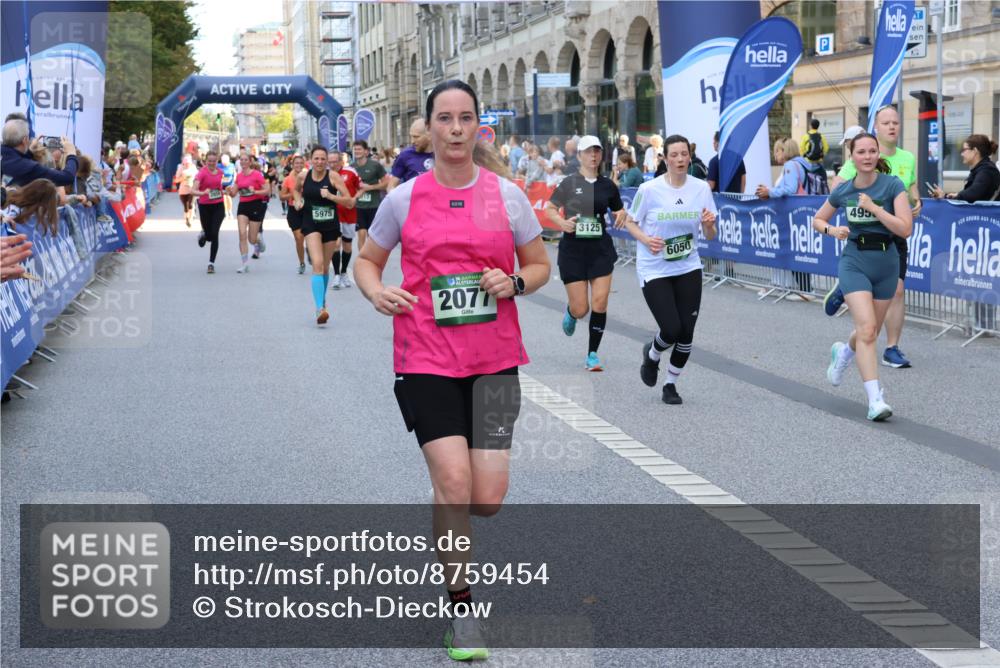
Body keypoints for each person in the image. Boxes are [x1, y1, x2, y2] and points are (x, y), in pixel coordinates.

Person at [354, 80, 550, 662]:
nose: (457, 129)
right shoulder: (404, 198)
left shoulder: (507, 196)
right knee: (456, 483)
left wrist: (513, 282)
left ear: (477, 128)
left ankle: (448, 501)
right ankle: (461, 610)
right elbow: (368, 260)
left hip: (494, 361)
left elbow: (539, 265)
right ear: (430, 128)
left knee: (486, 497)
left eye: (466, 118)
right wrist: (376, 293)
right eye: (446, 118)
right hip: (426, 358)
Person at [813, 132, 912, 421]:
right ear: (852, 156)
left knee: (870, 332)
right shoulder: (843, 190)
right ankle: (875, 400)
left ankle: (844, 352)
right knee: (867, 328)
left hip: (886, 262)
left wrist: (874, 208)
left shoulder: (892, 185)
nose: (867, 157)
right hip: (854, 260)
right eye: (861, 152)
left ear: (878, 154)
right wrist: (832, 230)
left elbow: (905, 229)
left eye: (872, 151)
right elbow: (819, 219)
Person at [619, 134, 718, 405]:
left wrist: (709, 224)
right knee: (671, 329)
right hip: (655, 268)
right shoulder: (650, 189)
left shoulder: (700, 189)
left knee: (686, 332)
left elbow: (710, 234)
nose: (680, 159)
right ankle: (651, 355)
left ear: (689, 156)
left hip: (688, 265)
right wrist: (646, 239)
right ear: (665, 158)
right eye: (674, 155)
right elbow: (629, 221)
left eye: (684, 154)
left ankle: (670, 384)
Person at [827, 108, 921, 369]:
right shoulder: (860, 154)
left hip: (894, 234)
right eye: (886, 122)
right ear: (876, 127)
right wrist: (860, 207)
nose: (892, 126)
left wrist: (915, 201)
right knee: (876, 315)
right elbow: (837, 191)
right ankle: (848, 286)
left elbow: (912, 188)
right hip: (864, 238)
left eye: (896, 122)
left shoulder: (908, 158)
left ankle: (890, 347)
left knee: (897, 293)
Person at [545, 134, 625, 371]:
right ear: (579, 155)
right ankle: (572, 312)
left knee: (600, 303)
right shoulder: (569, 183)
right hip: (573, 251)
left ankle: (592, 354)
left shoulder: (607, 185)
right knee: (582, 309)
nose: (593, 156)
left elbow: (619, 210)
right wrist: (562, 223)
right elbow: (550, 209)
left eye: (597, 151)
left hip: (600, 249)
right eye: (588, 151)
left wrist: (621, 215)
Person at [294, 145, 354, 324]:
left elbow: (349, 202)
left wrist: (331, 196)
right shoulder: (303, 176)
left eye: (323, 159)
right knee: (317, 264)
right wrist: (298, 201)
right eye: (316, 158)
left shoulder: (333, 177)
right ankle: (320, 308)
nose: (319, 162)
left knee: (325, 267)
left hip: (330, 225)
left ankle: (322, 301)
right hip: (310, 224)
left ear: (327, 161)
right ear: (310, 160)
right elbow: (296, 190)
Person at [1, 119, 78, 187]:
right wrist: (71, 154)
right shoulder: (31, 168)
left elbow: (15, 161)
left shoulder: (6, 159)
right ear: (25, 140)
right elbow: (67, 178)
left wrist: (29, 152)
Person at [228, 152, 269, 274]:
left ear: (250, 162)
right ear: (239, 162)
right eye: (242, 160)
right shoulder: (239, 176)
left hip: (256, 205)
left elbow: (267, 190)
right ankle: (245, 264)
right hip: (243, 206)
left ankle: (258, 240)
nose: (244, 162)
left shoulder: (257, 175)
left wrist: (255, 191)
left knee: (251, 239)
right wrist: (229, 191)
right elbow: (234, 194)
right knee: (241, 234)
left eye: (246, 160)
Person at [929, 134, 1000, 202]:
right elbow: (969, 196)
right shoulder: (981, 169)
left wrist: (955, 195)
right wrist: (945, 196)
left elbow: (973, 193)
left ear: (975, 151)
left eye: (964, 150)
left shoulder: (987, 170)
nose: (961, 154)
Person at [191, 151, 226, 274]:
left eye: (214, 161)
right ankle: (204, 234)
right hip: (205, 206)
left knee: (215, 234)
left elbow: (219, 188)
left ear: (217, 161)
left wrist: (225, 191)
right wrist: (203, 193)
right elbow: (193, 191)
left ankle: (211, 263)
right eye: (209, 161)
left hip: (218, 206)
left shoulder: (220, 173)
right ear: (206, 161)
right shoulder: (201, 174)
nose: (212, 163)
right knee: (209, 235)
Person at [329, 149, 359, 289]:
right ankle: (335, 275)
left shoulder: (351, 172)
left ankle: (343, 272)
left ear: (341, 161)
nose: (332, 164)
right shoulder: (326, 174)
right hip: (333, 214)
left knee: (347, 246)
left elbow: (361, 188)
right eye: (330, 162)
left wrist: (354, 199)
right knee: (336, 244)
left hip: (349, 213)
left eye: (335, 162)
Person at [351, 139, 388, 253]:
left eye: (359, 149)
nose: (357, 151)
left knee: (372, 236)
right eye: (355, 149)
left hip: (374, 205)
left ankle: (371, 258)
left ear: (366, 151)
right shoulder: (351, 167)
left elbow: (386, 183)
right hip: (359, 206)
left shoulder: (375, 165)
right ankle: (363, 259)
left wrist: (370, 187)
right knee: (361, 233)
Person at [387, 118, 434, 190]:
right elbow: (391, 185)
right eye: (411, 136)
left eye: (416, 137)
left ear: (429, 135)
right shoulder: (405, 155)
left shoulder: (444, 154)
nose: (412, 141)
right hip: (413, 200)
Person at [280, 155, 308, 273]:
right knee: (298, 238)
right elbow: (282, 197)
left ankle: (311, 251)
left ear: (304, 164)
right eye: (296, 163)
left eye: (301, 163)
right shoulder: (288, 179)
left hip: (307, 209)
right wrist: (294, 194)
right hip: (293, 210)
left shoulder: (309, 177)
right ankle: (302, 263)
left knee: (310, 237)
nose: (299, 165)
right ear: (292, 165)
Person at [173, 154, 198, 228]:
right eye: (186, 163)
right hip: (183, 190)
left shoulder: (193, 167)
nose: (187, 165)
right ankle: (186, 218)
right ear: (183, 163)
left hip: (192, 189)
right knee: (186, 206)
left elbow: (198, 177)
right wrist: (182, 178)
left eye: (188, 163)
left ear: (191, 163)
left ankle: (190, 220)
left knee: (191, 204)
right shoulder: (180, 168)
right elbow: (176, 180)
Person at [220, 154, 236, 220]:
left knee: (229, 198)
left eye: (225, 163)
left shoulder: (232, 165)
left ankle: (230, 212)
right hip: (222, 184)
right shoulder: (219, 166)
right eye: (223, 162)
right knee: (224, 198)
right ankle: (225, 212)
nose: (224, 164)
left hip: (230, 184)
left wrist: (234, 180)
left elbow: (234, 173)